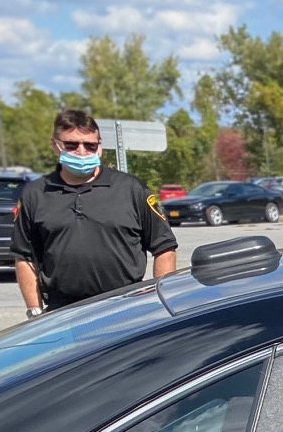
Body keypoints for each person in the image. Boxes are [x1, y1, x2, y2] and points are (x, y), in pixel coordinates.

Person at [12, 108, 176, 315]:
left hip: (126, 306)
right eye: (72, 145)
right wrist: (34, 311)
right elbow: (24, 257)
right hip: (63, 311)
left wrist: (159, 299)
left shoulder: (131, 189)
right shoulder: (35, 194)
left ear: (100, 148)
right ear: (55, 145)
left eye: (90, 146)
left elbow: (164, 247)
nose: (82, 152)